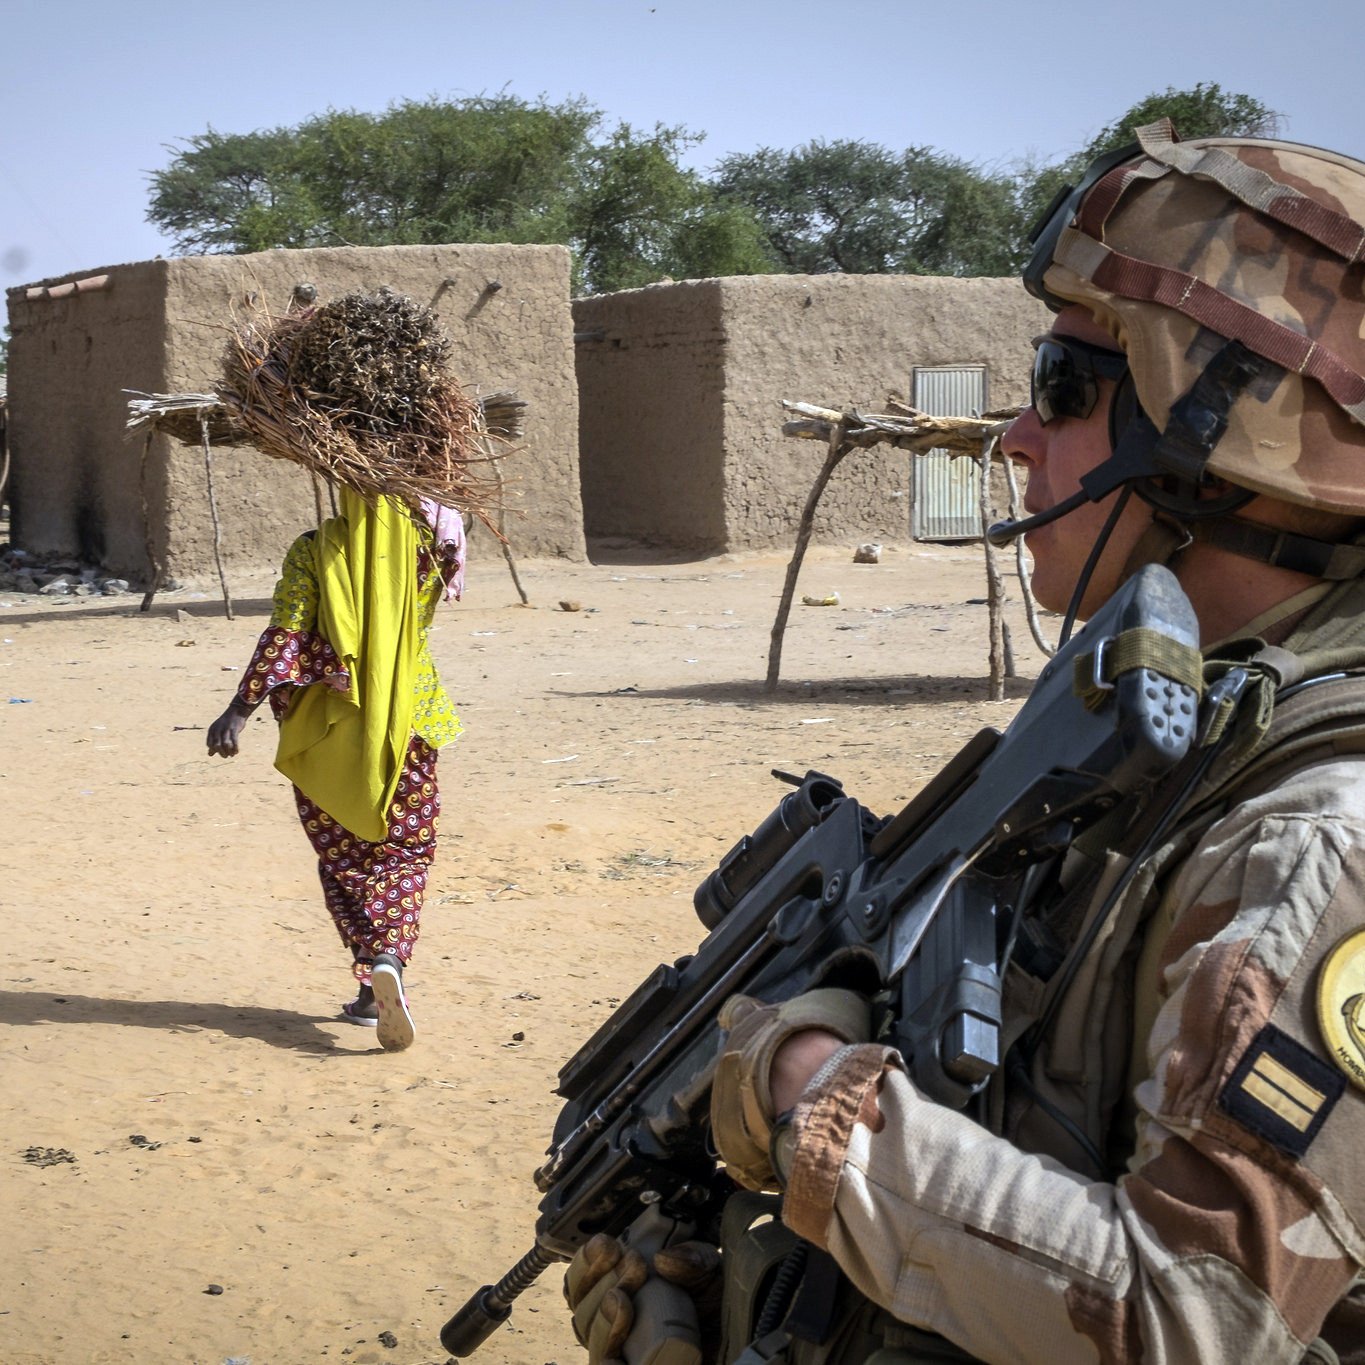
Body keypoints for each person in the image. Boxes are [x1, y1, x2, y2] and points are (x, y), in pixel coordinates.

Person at [565, 122, 1365, 1362]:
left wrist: (803, 1085)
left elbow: (1190, 1320)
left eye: (1063, 386)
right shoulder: (1179, 738)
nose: (1014, 437)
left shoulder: (1318, 840)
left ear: (1222, 439)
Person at [207, 489, 466, 1053]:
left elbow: (286, 634)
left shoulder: (313, 550)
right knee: (404, 852)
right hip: (409, 719)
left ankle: (372, 984)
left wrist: (239, 709)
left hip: (328, 727)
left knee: (344, 857)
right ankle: (388, 961)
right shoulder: (430, 547)